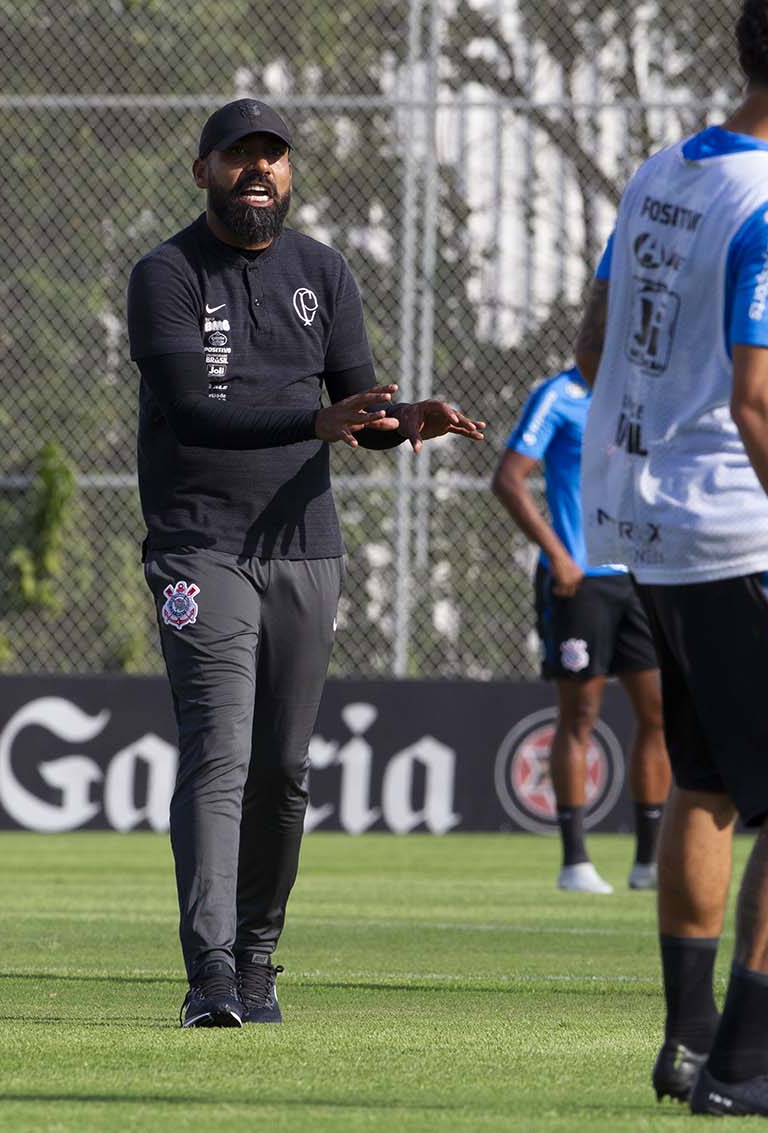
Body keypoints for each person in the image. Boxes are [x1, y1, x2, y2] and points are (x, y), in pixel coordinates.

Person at [579, 0, 768, 1118]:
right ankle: (743, 1065)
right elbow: (759, 404)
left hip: (656, 530)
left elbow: (596, 343)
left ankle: (688, 1043)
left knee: (703, 782)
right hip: (747, 538)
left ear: (746, 53)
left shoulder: (659, 175)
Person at [126, 98, 485, 1028]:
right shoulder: (164, 273)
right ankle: (210, 972)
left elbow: (357, 412)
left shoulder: (322, 271)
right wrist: (317, 420)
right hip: (200, 543)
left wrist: (403, 421)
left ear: (288, 173)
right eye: (239, 155)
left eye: (273, 156)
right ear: (203, 170)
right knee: (220, 753)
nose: (259, 169)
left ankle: (256, 961)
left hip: (305, 547)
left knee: (283, 768)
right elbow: (192, 411)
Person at [490, 347, 670, 894]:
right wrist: (558, 554)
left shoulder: (647, 390)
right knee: (580, 714)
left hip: (639, 576)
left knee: (659, 713)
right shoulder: (558, 395)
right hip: (579, 580)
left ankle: (648, 863)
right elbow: (509, 478)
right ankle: (575, 862)